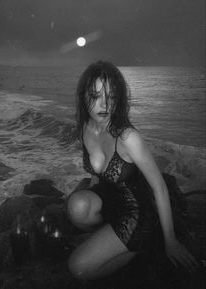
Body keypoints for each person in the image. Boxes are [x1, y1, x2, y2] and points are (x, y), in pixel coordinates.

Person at [66, 60, 197, 280]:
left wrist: (170, 240)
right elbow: (95, 174)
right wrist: (88, 194)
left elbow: (160, 188)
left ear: (120, 100)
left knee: (78, 268)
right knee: (76, 207)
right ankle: (110, 238)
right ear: (84, 96)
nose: (104, 105)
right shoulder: (86, 127)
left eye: (112, 97)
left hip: (137, 214)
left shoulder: (128, 138)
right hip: (111, 202)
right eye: (96, 96)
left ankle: (141, 247)